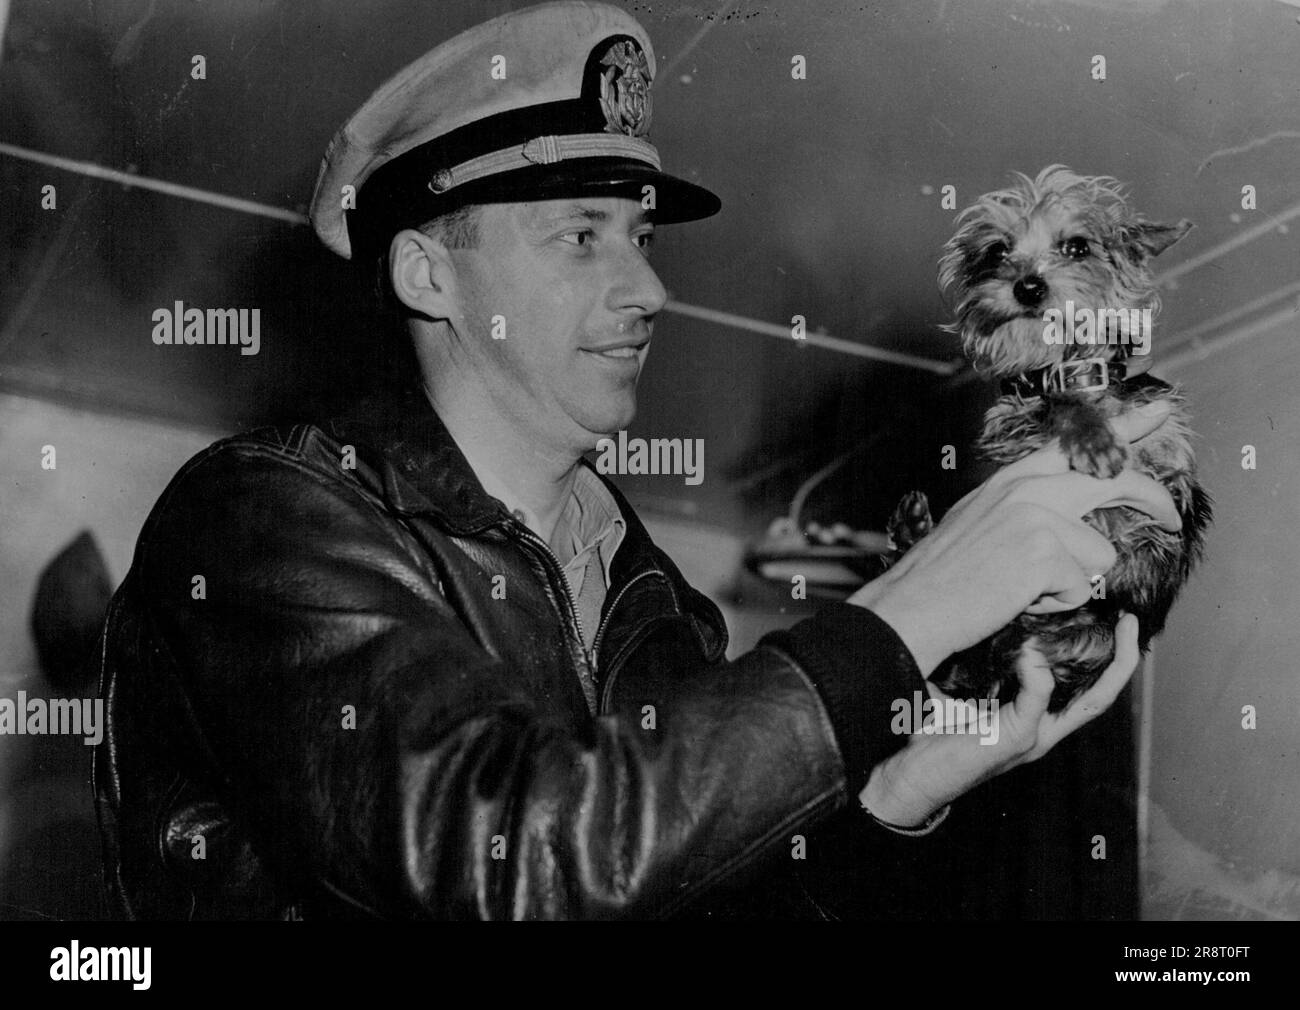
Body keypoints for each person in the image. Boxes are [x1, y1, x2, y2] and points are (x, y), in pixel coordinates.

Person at [94, 1, 1182, 920]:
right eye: (581, 236)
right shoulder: (263, 519)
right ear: (428, 276)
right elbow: (504, 851)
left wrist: (892, 789)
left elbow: (695, 892)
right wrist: (911, 608)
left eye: (641, 238)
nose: (650, 289)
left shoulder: (657, 603)